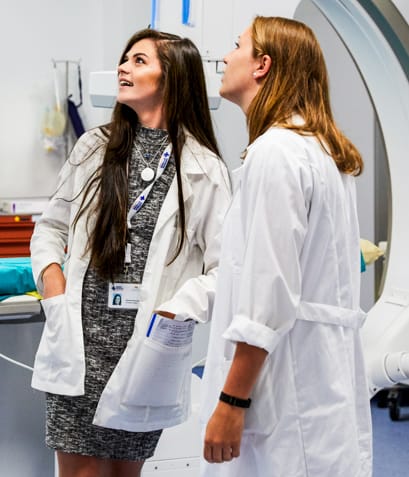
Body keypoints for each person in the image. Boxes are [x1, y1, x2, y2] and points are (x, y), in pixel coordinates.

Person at [30, 28, 231, 477]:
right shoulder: (93, 148)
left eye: (139, 61)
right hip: (79, 347)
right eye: (126, 59)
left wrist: (176, 311)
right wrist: (54, 288)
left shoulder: (203, 168)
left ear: (173, 77)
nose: (124, 67)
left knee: (126, 475)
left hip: (145, 350)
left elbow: (225, 270)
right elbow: (49, 229)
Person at [201, 16, 372, 477]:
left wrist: (231, 402)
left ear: (262, 65)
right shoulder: (320, 151)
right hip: (319, 380)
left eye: (236, 47)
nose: (225, 57)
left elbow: (267, 298)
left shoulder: (276, 152)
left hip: (284, 389)